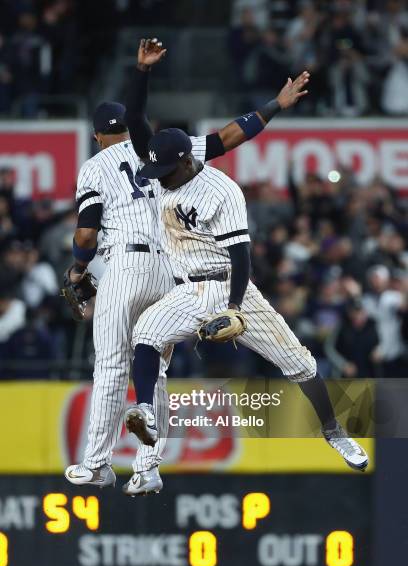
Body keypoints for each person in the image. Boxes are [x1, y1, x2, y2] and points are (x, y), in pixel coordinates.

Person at [65, 38, 310, 493]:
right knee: (153, 365)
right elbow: (229, 136)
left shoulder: (96, 166)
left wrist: (79, 271)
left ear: (98, 135)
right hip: (171, 272)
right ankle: (148, 467)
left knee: (113, 367)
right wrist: (277, 104)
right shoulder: (161, 149)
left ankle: (98, 463)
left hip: (125, 266)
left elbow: (85, 234)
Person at [123, 127, 368, 497]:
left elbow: (241, 256)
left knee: (299, 363)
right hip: (188, 288)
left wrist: (236, 307)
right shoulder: (165, 162)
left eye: (167, 171)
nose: (161, 179)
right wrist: (141, 71)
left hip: (231, 285)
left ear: (187, 162)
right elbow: (141, 122)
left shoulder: (221, 191)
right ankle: (145, 418)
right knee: (146, 334)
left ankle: (334, 431)